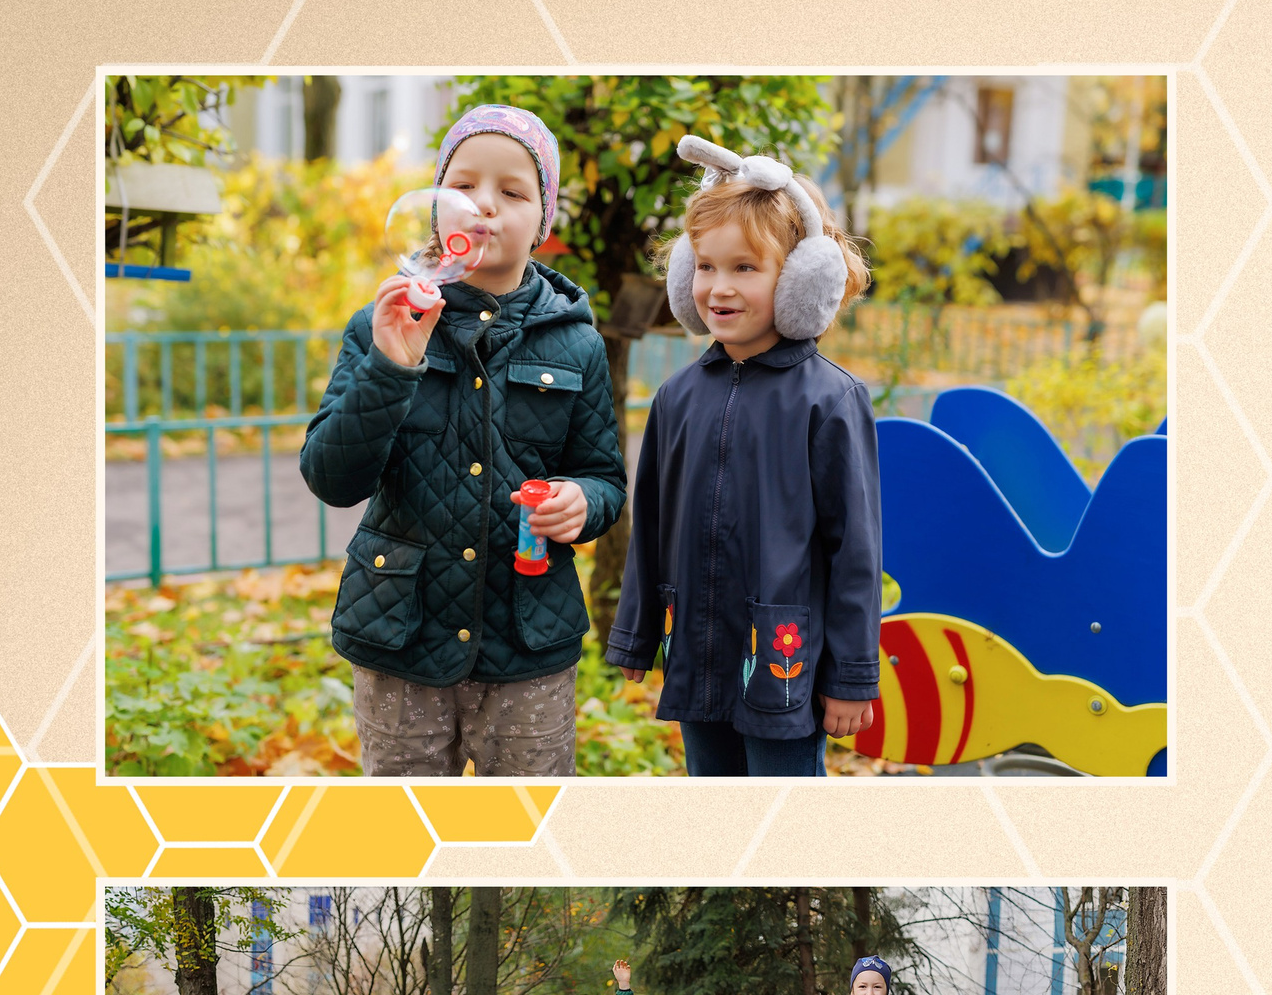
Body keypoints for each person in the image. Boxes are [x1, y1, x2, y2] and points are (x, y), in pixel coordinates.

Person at [300, 101, 626, 776]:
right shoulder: (382, 322)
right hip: (402, 634)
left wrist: (580, 501)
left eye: (512, 192)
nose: (484, 207)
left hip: (527, 641)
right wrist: (391, 367)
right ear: (434, 212)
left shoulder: (578, 342)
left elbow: (604, 479)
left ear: (544, 222)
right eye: (464, 186)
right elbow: (333, 481)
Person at [605, 132, 881, 777]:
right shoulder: (676, 397)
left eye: (745, 268)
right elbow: (652, 526)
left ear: (803, 281)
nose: (718, 288)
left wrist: (851, 676)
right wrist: (639, 635)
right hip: (696, 653)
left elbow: (855, 554)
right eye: (705, 266)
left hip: (782, 664)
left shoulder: (830, 402)